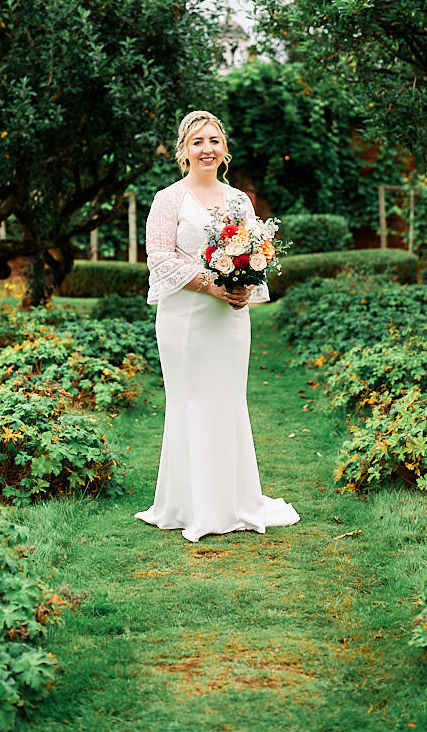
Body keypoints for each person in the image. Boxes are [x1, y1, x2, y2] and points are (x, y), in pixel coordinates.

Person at [135, 110, 301, 542]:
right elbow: (159, 256)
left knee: (227, 402)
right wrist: (210, 284)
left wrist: (246, 285)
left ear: (224, 148)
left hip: (230, 319)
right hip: (184, 319)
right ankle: (189, 506)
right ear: (184, 151)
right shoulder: (168, 199)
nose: (206, 149)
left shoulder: (239, 201)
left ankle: (232, 502)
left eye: (213, 141)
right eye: (197, 142)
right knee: (190, 402)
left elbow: (254, 250)